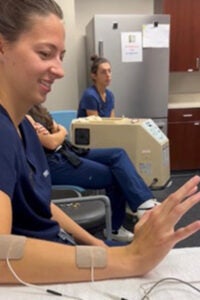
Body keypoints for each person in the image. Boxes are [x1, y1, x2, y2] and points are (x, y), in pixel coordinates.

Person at [0, 0, 200, 286]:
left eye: (61, 56)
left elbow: (41, 203)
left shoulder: (25, 130)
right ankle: (143, 205)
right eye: (45, 53)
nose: (60, 70)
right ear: (2, 47)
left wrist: (97, 244)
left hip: (60, 245)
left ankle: (139, 209)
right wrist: (128, 258)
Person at [27, 104, 159, 243]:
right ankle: (115, 227)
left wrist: (57, 132)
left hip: (65, 151)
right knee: (115, 176)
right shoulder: (24, 117)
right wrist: (59, 133)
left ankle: (144, 203)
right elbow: (52, 142)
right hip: (52, 163)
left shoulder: (36, 109)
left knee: (118, 154)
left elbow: (55, 128)